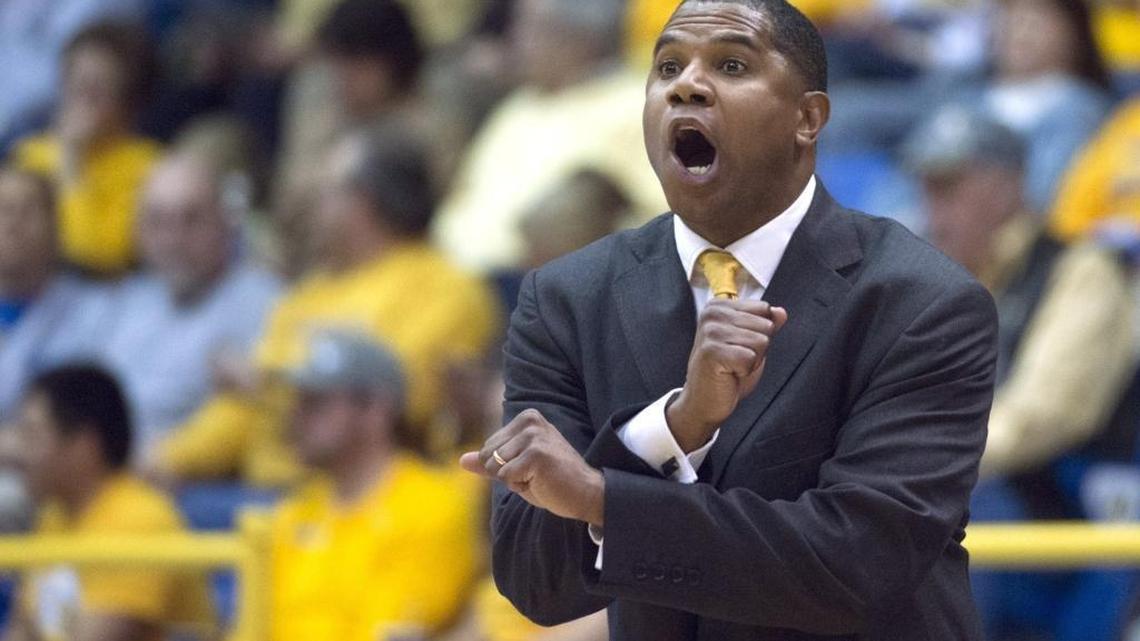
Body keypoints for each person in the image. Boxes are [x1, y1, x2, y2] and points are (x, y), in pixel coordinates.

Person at [460, 1, 998, 640]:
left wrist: (604, 498)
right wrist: (672, 429)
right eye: (667, 68)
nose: (686, 85)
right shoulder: (564, 298)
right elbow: (535, 579)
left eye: (732, 65)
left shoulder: (923, 301)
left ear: (807, 119)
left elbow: (858, 564)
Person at [153, 129, 500, 487]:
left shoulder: (447, 289)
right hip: (270, 495)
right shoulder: (306, 295)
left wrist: (264, 386)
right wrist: (169, 456)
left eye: (326, 191)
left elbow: (390, 399)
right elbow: (241, 410)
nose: (311, 205)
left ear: (366, 202)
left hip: (374, 496)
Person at [270, 328, 480, 641]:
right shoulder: (293, 512)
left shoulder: (430, 505)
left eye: (315, 402)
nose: (296, 416)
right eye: (298, 401)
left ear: (374, 409)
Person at [432, 0, 668, 273]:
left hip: (551, 281)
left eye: (529, 27)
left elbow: (656, 218)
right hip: (453, 273)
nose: (514, 39)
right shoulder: (518, 107)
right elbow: (462, 199)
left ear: (579, 40)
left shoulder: (636, 105)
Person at [90, 150, 282, 461]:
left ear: (225, 222)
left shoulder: (265, 303)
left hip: (188, 476)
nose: (173, 239)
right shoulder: (126, 302)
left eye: (191, 219)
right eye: (158, 222)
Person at [3, 365, 212, 641]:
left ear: (85, 444)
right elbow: (21, 630)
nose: (18, 452)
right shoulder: (54, 516)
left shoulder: (139, 520)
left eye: (33, 435)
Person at [10, 21, 161, 277]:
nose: (82, 100)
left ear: (127, 98)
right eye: (75, 84)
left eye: (96, 89)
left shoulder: (147, 164)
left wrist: (71, 158)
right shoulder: (29, 154)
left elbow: (97, 259)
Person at [0, 168, 99, 423]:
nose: (12, 224)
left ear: (56, 227)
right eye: (4, 209)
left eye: (27, 211)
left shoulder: (93, 311)